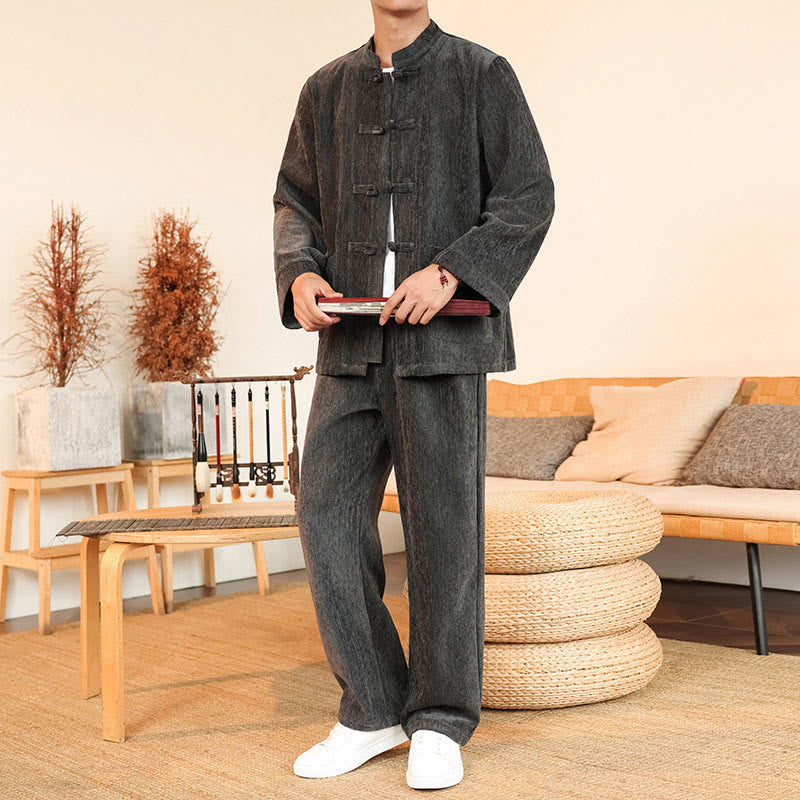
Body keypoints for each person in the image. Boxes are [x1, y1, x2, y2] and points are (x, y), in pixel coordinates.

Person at [272, 1, 555, 790]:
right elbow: (294, 201)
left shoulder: (482, 74)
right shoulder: (325, 89)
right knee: (325, 518)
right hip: (350, 342)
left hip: (444, 345)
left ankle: (439, 720)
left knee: (443, 534)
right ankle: (371, 708)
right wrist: (299, 274)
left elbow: (529, 194)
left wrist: (452, 271)